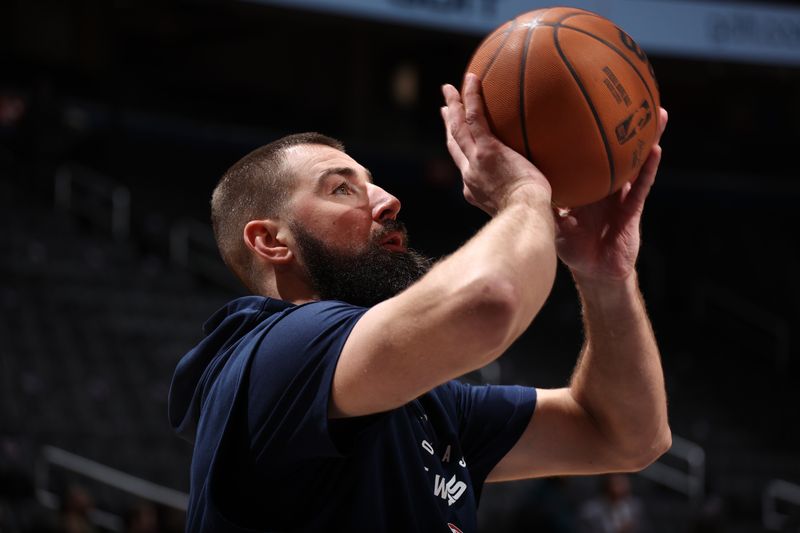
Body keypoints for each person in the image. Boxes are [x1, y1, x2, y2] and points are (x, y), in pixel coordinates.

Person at [168, 73, 671, 532]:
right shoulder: (275, 352)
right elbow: (490, 301)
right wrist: (523, 192)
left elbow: (626, 436)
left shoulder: (427, 403)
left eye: (374, 184)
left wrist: (606, 277)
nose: (388, 201)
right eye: (343, 188)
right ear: (272, 242)